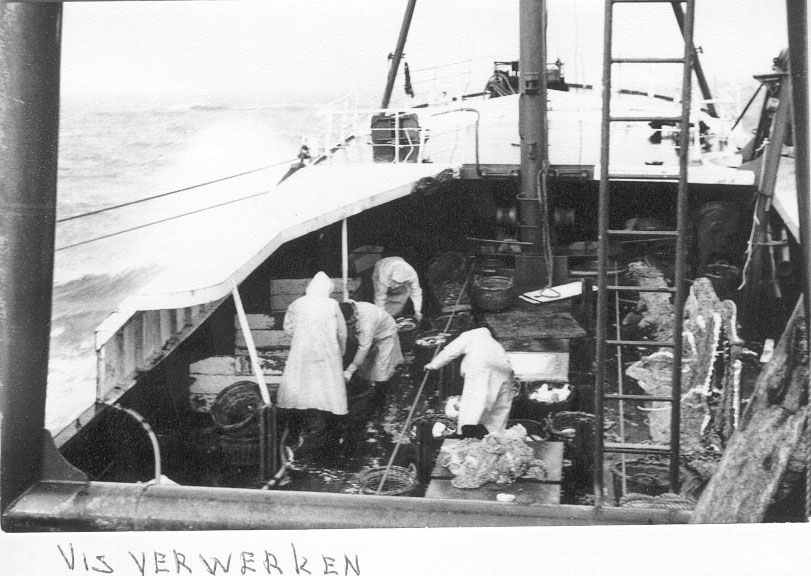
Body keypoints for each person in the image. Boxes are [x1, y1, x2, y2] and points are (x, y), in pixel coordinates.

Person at [277, 272, 347, 450]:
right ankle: (331, 434)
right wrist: (341, 351)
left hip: (303, 353)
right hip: (327, 354)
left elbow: (288, 328)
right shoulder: (332, 304)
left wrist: (302, 338)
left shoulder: (297, 303)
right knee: (328, 389)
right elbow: (342, 333)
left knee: (301, 387)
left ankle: (296, 431)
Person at [424, 326, 514, 438]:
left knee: (473, 403)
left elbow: (450, 351)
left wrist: (433, 365)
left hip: (481, 366)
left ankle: (467, 436)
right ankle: (495, 435)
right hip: (505, 370)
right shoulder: (496, 344)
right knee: (498, 408)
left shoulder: (472, 334)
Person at [339, 300, 404, 395]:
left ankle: (381, 393)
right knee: (365, 366)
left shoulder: (366, 324)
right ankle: (367, 381)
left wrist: (349, 371)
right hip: (370, 331)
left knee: (381, 368)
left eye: (348, 323)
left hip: (385, 335)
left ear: (353, 317)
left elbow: (363, 347)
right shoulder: (347, 307)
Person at [371, 256, 424, 321]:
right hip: (381, 267)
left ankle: (396, 316)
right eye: (395, 282)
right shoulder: (383, 276)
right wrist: (382, 318)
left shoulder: (412, 275)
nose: (395, 286)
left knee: (405, 294)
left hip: (397, 263)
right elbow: (380, 296)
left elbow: (416, 292)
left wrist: (417, 311)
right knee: (383, 300)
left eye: (399, 283)